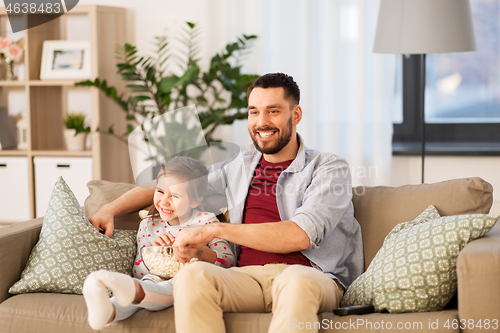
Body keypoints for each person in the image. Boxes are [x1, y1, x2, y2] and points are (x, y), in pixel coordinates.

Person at [89, 72, 364, 333]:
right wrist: (109, 209)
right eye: (253, 111)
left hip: (310, 276)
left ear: (296, 114)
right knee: (191, 277)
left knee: (296, 282)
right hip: (246, 278)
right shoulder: (240, 166)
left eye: (273, 110)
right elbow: (175, 185)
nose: (261, 121)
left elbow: (300, 235)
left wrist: (216, 230)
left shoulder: (328, 168)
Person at [83, 156, 235, 331]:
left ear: (195, 201)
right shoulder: (149, 225)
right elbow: (138, 270)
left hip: (191, 281)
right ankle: (109, 311)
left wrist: (200, 252)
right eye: (160, 191)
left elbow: (229, 262)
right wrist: (156, 252)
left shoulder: (208, 222)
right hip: (151, 280)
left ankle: (132, 291)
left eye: (175, 195)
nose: (164, 201)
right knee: (146, 285)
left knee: (171, 285)